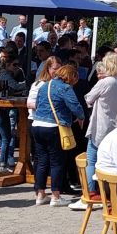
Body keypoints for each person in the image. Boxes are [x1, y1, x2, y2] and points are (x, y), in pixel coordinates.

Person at [31, 63, 84, 207]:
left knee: (42, 161)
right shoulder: (65, 88)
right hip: (54, 127)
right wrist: (81, 116)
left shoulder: (44, 85)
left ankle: (40, 194)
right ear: (70, 76)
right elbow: (75, 106)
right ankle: (56, 196)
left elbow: (37, 104)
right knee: (57, 162)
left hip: (37, 125)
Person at [84, 53, 117, 192]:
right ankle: (109, 191)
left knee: (91, 159)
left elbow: (88, 98)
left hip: (101, 125)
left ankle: (91, 191)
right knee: (111, 160)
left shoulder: (105, 82)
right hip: (115, 125)